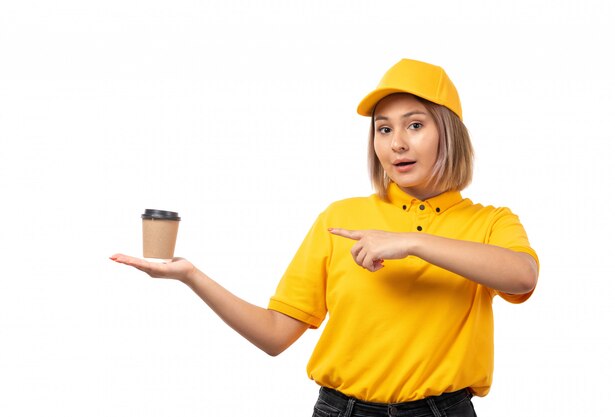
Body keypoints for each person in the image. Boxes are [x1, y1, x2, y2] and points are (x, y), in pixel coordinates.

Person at [111, 58, 539, 417]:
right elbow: (276, 335)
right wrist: (191, 276)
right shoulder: (341, 217)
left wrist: (411, 242)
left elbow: (522, 276)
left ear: (448, 132)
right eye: (384, 129)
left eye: (415, 125)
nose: (397, 144)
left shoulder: (490, 223)